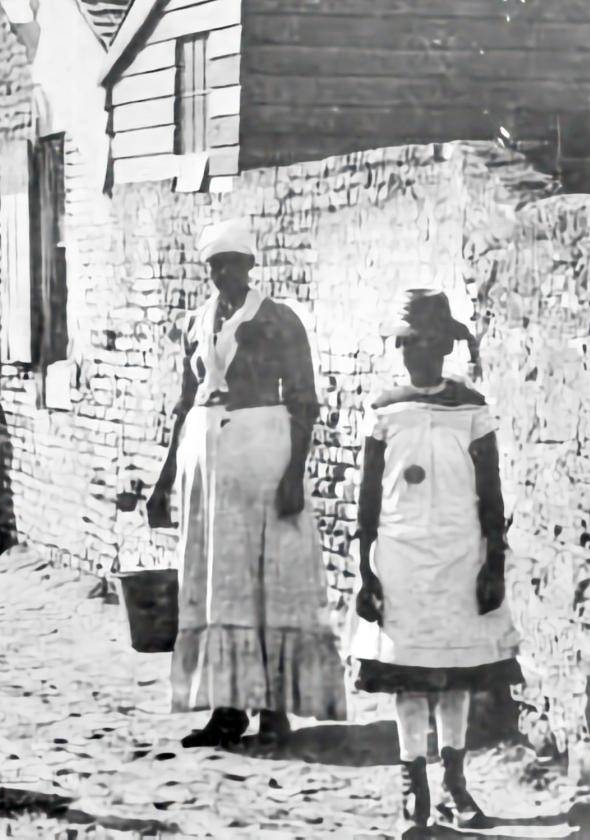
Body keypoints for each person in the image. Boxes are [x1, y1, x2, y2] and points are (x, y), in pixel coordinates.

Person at [145, 218, 346, 749]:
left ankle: (276, 709)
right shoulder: (196, 323)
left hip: (263, 455)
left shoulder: (279, 321)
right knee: (217, 582)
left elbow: (304, 401)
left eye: (233, 264)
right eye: (215, 265)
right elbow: (184, 401)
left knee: (270, 581)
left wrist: (294, 475)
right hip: (205, 462)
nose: (223, 275)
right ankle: (226, 709)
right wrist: (162, 481)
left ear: (251, 266)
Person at [349, 289, 523, 833]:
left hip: (459, 551)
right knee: (410, 677)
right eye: (407, 344)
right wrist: (366, 570)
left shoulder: (471, 408)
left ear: (446, 347)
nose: (416, 354)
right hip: (400, 555)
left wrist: (493, 562)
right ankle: (413, 789)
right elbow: (368, 495)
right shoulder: (384, 408)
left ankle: (454, 785)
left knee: (457, 675)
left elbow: (491, 492)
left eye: (427, 344)